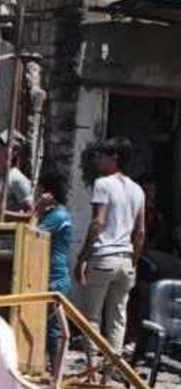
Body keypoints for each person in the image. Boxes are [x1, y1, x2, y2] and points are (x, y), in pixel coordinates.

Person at [76, 137, 145, 356]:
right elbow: (140, 232)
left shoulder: (102, 184)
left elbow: (98, 222)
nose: (98, 160)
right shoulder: (138, 190)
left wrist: (82, 258)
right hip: (126, 259)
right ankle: (109, 371)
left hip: (103, 257)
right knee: (118, 319)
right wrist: (133, 263)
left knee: (92, 317)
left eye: (102, 155)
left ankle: (92, 371)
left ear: (114, 157)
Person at [34, 172, 73, 363]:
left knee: (53, 329)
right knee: (50, 327)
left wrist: (37, 209)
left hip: (55, 279)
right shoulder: (57, 214)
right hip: (52, 276)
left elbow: (32, 236)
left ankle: (55, 370)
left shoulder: (57, 215)